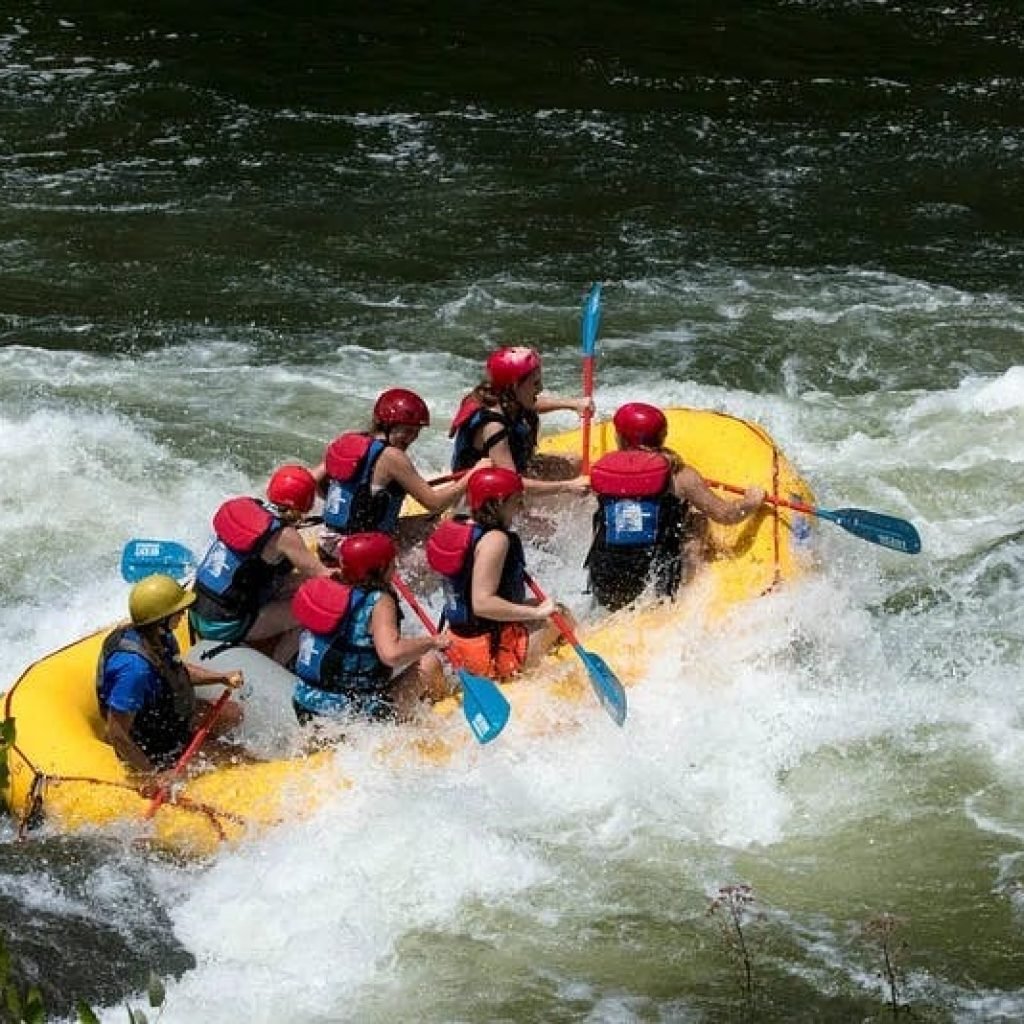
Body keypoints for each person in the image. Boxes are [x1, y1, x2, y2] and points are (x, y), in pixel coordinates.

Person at [585, 402, 766, 611]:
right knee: (697, 520)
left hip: (605, 582)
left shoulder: (605, 474)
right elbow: (726, 515)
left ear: (620, 439)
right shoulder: (681, 476)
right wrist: (751, 501)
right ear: (662, 436)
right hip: (654, 581)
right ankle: (690, 590)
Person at [97, 574, 245, 793]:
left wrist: (220, 677)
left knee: (233, 713)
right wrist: (152, 777)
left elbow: (175, 672)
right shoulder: (134, 671)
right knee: (232, 758)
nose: (183, 614)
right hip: (149, 740)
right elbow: (118, 733)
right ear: (161, 619)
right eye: (178, 611)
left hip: (164, 716)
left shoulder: (159, 637)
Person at [290, 531, 452, 725]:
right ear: (381, 568)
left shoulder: (326, 587)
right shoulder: (378, 601)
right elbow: (391, 654)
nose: (396, 566)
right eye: (393, 563)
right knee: (430, 661)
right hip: (355, 717)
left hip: (305, 707)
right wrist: (432, 641)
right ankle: (440, 709)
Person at [426, 467, 564, 680]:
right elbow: (483, 604)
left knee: (538, 604)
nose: (520, 506)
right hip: (490, 650)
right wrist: (537, 614)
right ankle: (522, 673)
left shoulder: (453, 525)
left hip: (457, 639)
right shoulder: (495, 540)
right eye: (516, 501)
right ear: (498, 503)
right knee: (559, 615)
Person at [190, 464, 336, 663]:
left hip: (197, 608)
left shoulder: (247, 506)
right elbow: (325, 575)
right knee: (311, 611)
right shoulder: (284, 535)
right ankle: (279, 664)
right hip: (224, 624)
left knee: (298, 582)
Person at [312, 388, 471, 555]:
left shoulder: (352, 441)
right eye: (407, 431)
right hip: (358, 549)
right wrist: (472, 475)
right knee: (440, 528)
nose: (411, 439)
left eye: (416, 433)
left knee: (429, 522)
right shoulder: (393, 456)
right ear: (388, 425)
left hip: (329, 539)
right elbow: (434, 502)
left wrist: (345, 501)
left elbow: (313, 480)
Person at [448, 346, 591, 498]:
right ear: (514, 386)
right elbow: (512, 483)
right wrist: (567, 487)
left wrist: (572, 404)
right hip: (483, 496)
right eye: (535, 383)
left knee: (574, 463)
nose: (541, 388)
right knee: (545, 522)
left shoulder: (505, 396)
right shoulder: (493, 426)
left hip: (513, 470)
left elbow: (532, 403)